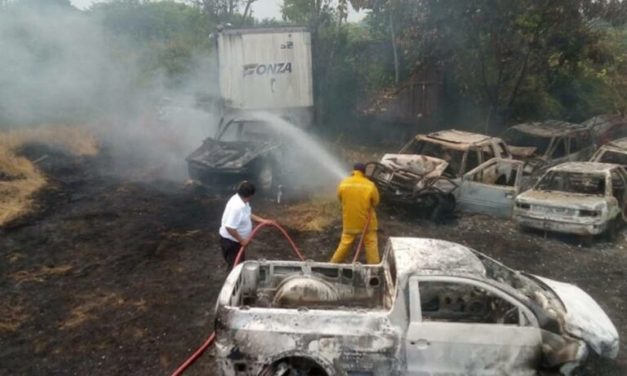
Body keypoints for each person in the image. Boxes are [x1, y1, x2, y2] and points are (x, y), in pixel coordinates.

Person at [330, 163, 381, 264]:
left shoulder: (343, 183)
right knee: (371, 243)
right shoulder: (370, 185)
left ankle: (333, 263)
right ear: (364, 172)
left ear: (353, 171)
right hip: (367, 222)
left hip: (350, 221)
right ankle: (374, 267)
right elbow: (376, 202)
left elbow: (340, 198)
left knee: (345, 243)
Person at [219, 181, 273, 271]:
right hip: (231, 242)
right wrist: (242, 240)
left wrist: (263, 221)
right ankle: (232, 284)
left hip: (237, 242)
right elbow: (229, 227)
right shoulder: (236, 207)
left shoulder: (243, 201)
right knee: (235, 269)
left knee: (239, 265)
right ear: (250, 195)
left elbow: (248, 214)